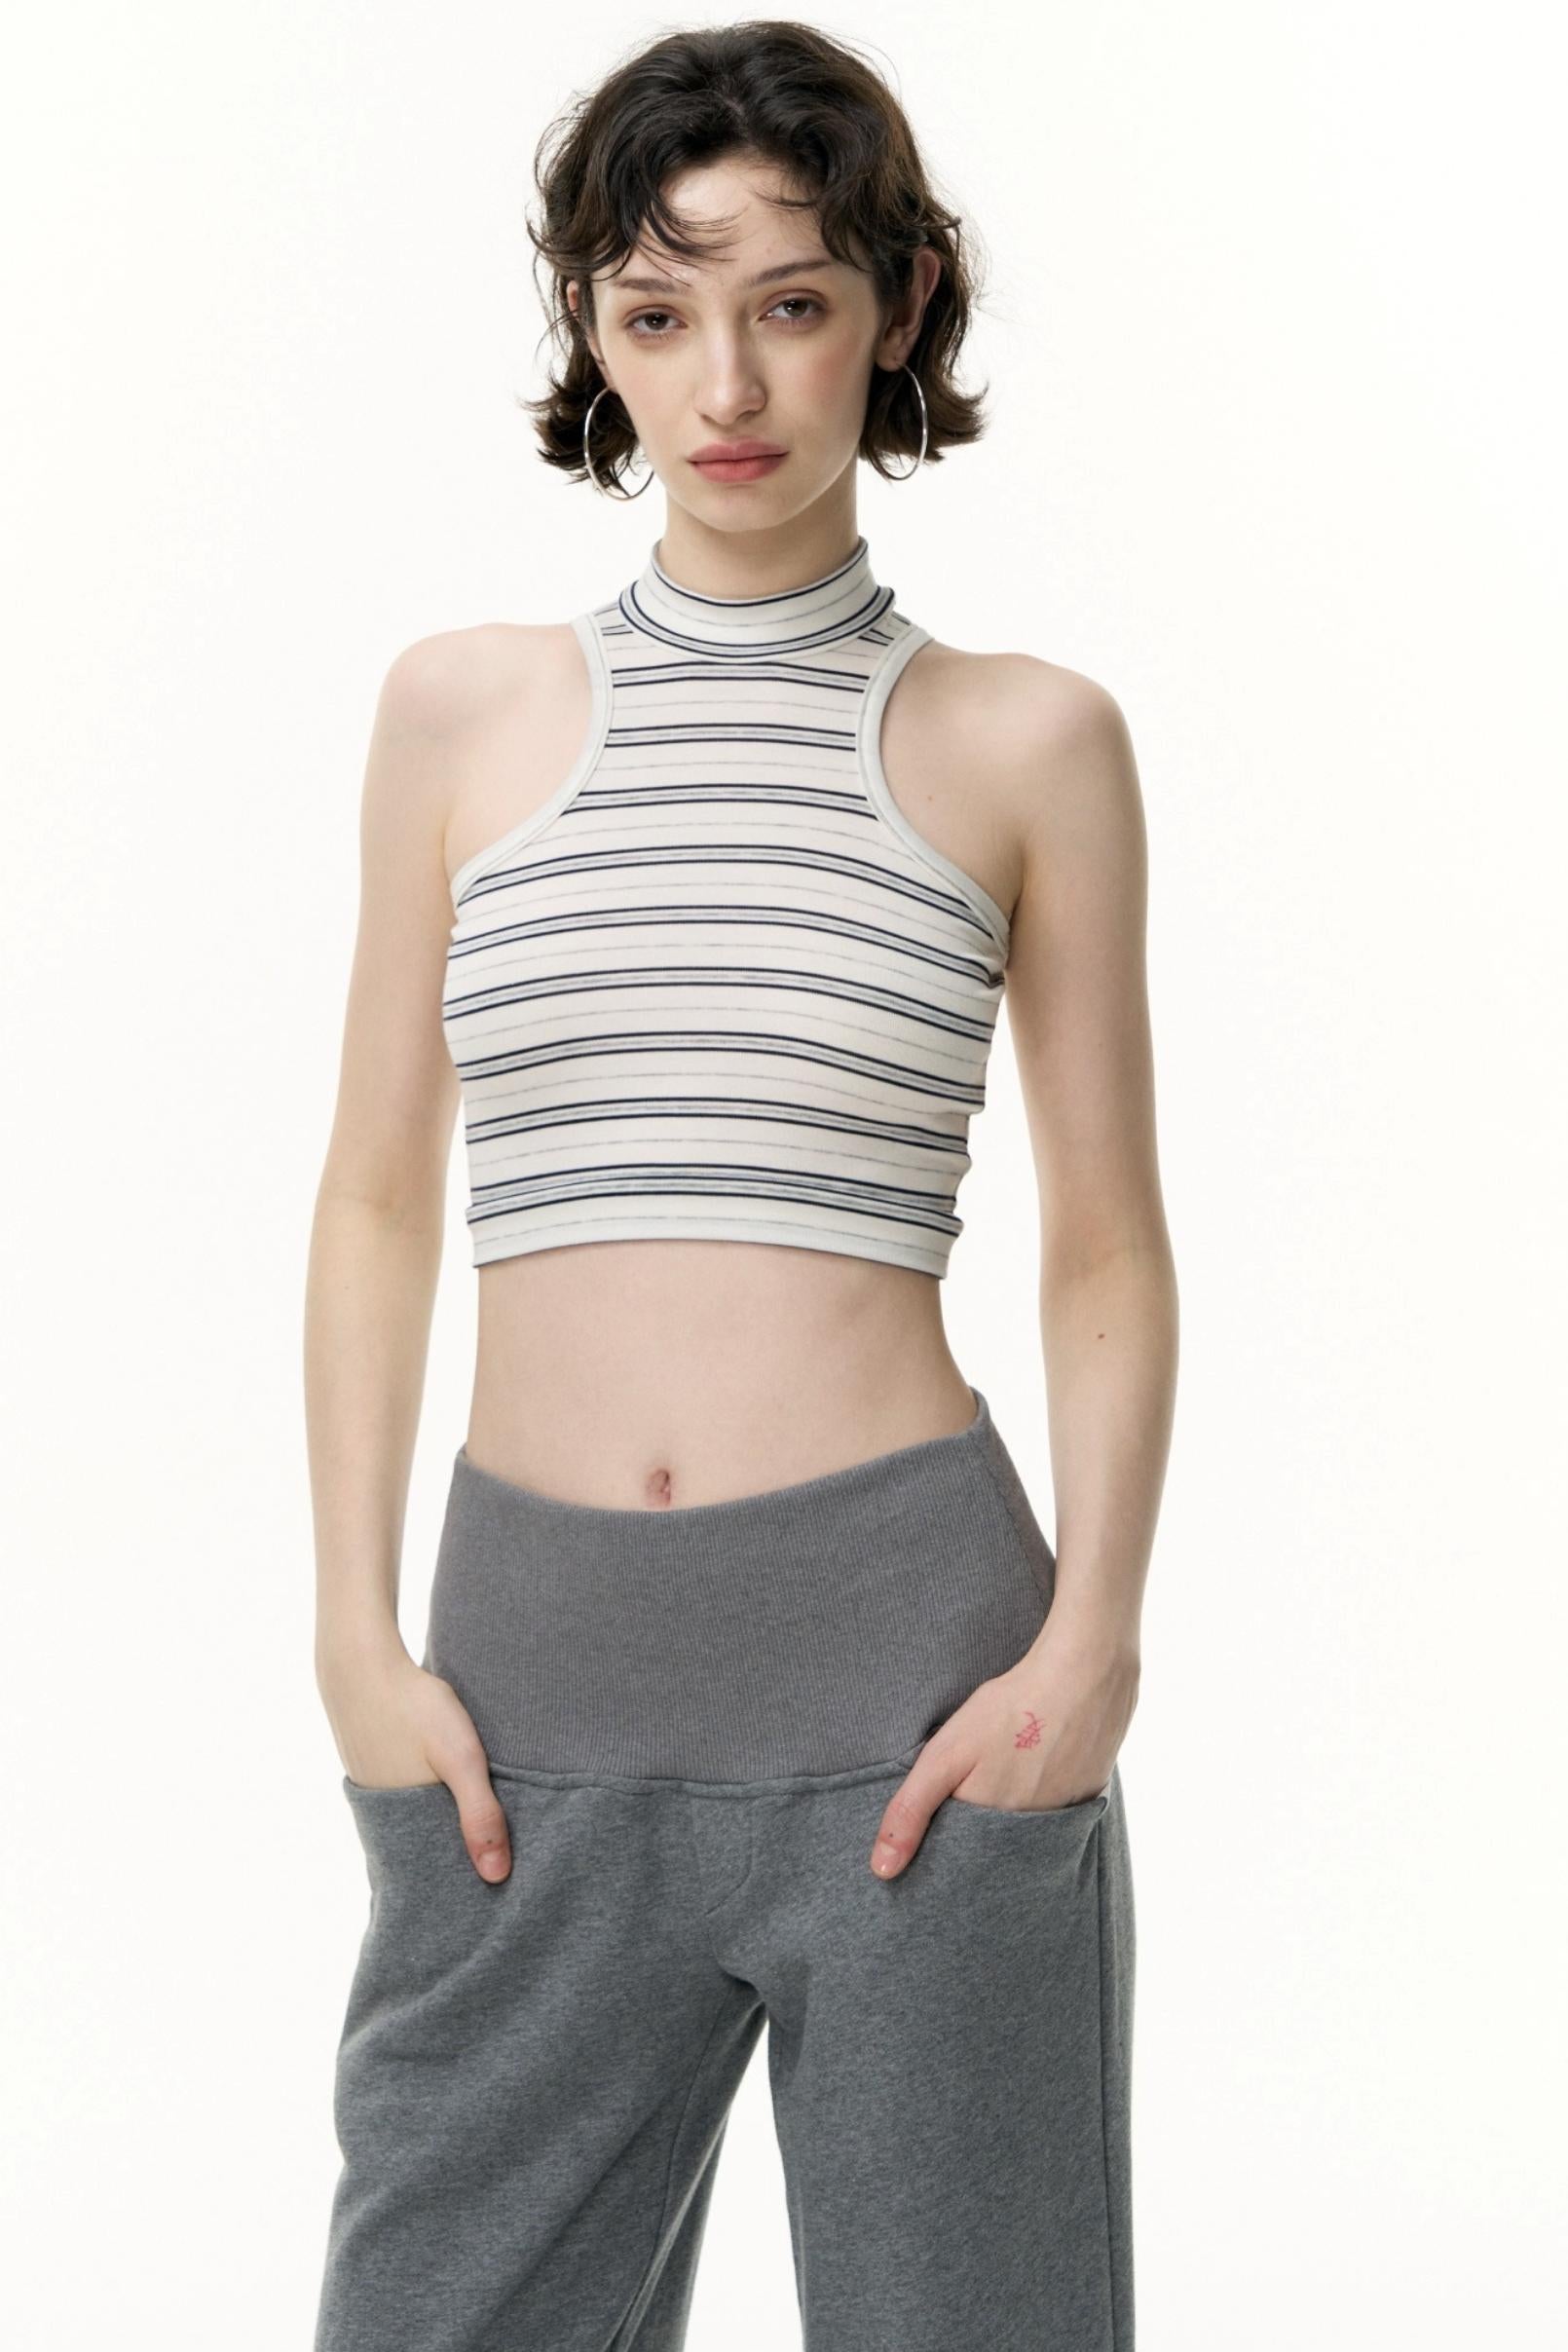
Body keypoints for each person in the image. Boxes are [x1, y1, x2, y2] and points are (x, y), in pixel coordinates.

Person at [306, 21, 1175, 2351]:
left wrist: (1088, 1643)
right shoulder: (462, 715)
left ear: (894, 309)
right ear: (591, 331)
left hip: (920, 1688)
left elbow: (1104, 1233)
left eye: (791, 301)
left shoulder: (1024, 741)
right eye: (658, 307)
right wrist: (354, 1631)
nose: (727, 382)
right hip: (521, 1698)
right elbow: (374, 1192)